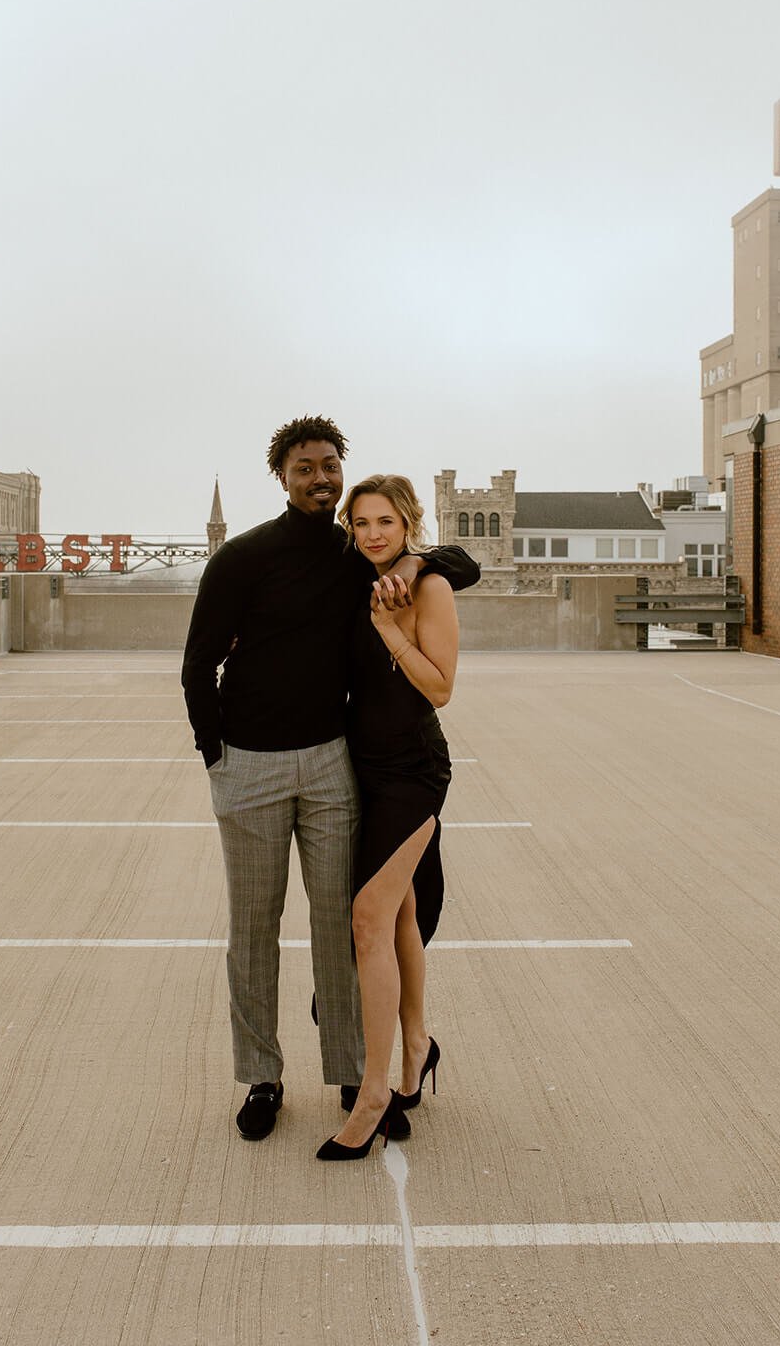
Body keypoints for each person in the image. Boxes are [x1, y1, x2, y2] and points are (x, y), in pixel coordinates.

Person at [181, 416, 479, 1142]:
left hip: (331, 763)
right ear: (282, 476)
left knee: (340, 929)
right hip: (247, 766)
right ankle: (261, 1077)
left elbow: (456, 562)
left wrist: (415, 565)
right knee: (252, 930)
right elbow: (197, 664)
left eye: (329, 466)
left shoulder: (359, 554)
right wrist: (215, 754)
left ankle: (354, 1073)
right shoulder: (244, 557)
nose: (319, 477)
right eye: (304, 467)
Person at [316, 475, 459, 1160]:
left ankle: (373, 1093)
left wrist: (387, 630)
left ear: (407, 523)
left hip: (411, 771)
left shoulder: (422, 586)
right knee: (396, 915)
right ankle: (415, 1050)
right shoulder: (355, 576)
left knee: (368, 918)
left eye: (385, 522)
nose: (373, 533)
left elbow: (442, 688)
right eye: (361, 522)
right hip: (360, 769)